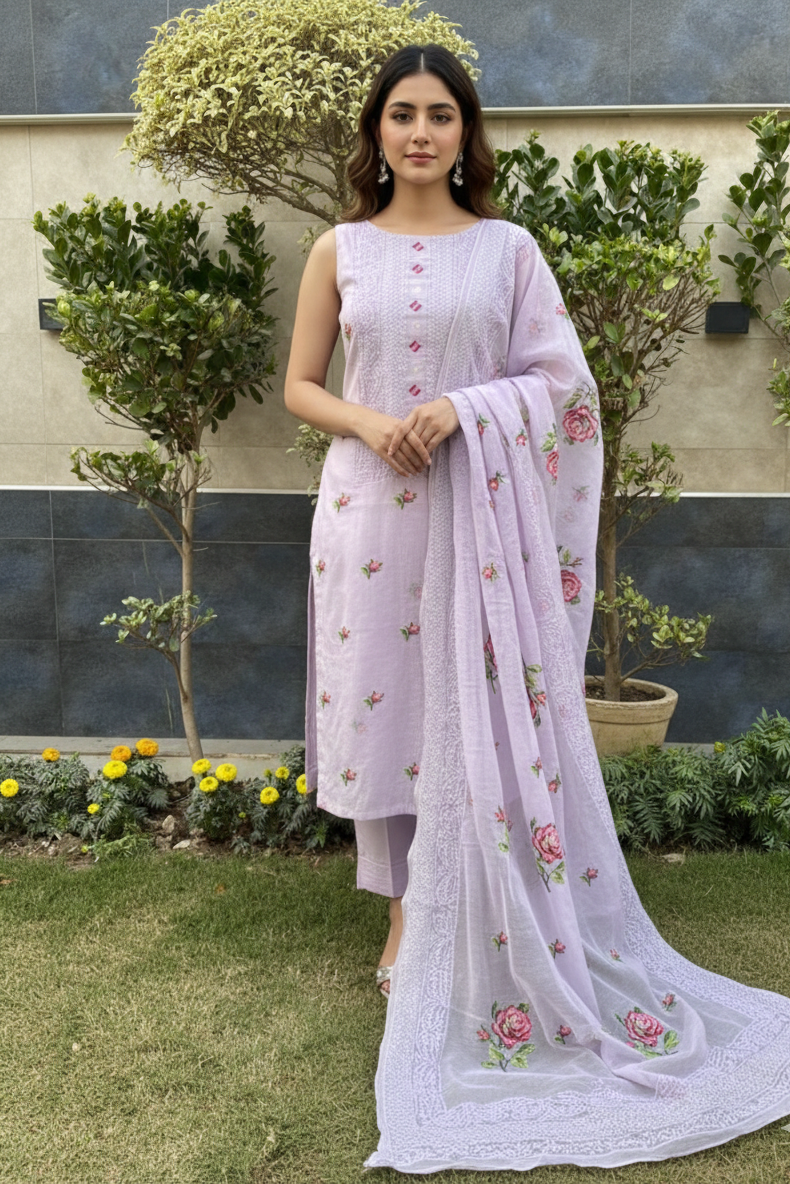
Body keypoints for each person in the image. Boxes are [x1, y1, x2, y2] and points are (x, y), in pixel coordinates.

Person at [285, 43, 790, 1174]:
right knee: (389, 707)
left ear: (468, 135)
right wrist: (377, 423)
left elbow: (561, 385)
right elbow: (301, 382)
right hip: (372, 512)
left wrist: (462, 407)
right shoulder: (340, 248)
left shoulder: (508, 251)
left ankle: (469, 900)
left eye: (440, 116)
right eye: (402, 116)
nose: (420, 134)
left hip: (480, 516)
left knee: (470, 699)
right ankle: (408, 911)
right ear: (375, 134)